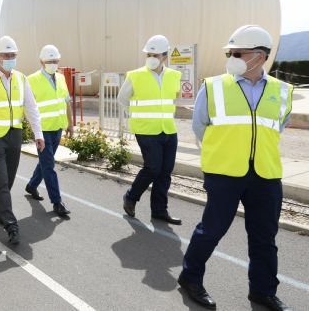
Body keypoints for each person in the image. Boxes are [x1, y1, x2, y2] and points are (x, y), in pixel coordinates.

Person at [178, 25, 294, 311]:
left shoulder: (282, 91)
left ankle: (263, 291)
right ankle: (190, 277)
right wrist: (225, 151)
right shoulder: (214, 86)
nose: (231, 57)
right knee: (212, 230)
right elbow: (200, 126)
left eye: (237, 53)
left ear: (259, 56)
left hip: (265, 174)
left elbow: (277, 127)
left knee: (264, 237)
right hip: (224, 173)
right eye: (230, 53)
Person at [0, 36, 44, 245]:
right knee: (1, 180)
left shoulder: (22, 79)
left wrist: (38, 134)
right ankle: (11, 225)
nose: (10, 58)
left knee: (9, 179)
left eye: (13, 55)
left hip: (15, 136)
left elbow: (31, 108)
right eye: (6, 55)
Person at [118, 35, 182, 224]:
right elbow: (122, 99)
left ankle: (159, 211)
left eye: (155, 54)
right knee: (153, 168)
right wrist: (137, 115)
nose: (151, 58)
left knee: (165, 172)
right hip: (146, 130)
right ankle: (131, 197)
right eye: (149, 54)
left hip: (168, 130)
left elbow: (172, 100)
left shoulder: (174, 76)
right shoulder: (135, 75)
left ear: (165, 55)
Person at [24, 44, 73, 217]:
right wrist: (34, 130)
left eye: (55, 60)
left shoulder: (60, 78)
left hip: (58, 127)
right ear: (41, 61)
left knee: (46, 161)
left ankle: (31, 186)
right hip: (42, 130)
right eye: (49, 61)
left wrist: (70, 124)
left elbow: (66, 101)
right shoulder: (31, 80)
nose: (53, 63)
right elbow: (28, 107)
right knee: (49, 165)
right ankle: (57, 202)